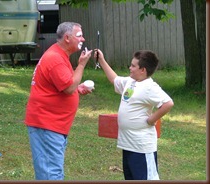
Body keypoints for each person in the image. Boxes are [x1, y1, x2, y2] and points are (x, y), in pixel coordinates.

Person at [24, 22, 93, 180]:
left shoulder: (59, 55)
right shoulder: (55, 59)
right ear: (67, 38)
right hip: (47, 124)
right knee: (51, 174)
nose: (83, 38)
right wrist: (81, 65)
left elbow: (64, 84)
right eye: (79, 35)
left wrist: (78, 87)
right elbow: (68, 87)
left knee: (52, 171)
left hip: (52, 125)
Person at [95, 49, 174, 180]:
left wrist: (151, 120)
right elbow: (114, 80)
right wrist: (101, 60)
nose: (129, 68)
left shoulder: (150, 87)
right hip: (128, 144)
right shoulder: (130, 82)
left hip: (142, 147)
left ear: (142, 70)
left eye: (133, 66)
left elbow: (168, 103)